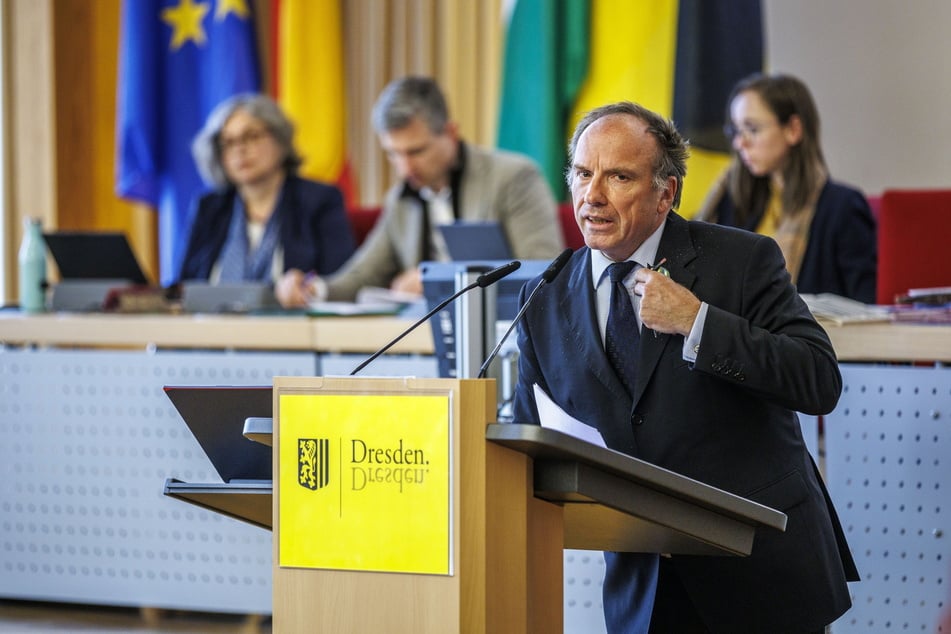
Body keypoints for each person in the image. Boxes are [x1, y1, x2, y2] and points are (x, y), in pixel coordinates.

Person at [512, 101, 858, 633]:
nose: (592, 196)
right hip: (642, 595)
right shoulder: (545, 297)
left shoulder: (741, 262)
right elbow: (527, 439)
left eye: (618, 176)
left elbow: (818, 380)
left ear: (665, 192)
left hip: (758, 578)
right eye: (583, 174)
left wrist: (699, 322)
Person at [314, 76, 563, 301]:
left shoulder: (514, 177)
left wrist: (437, 279)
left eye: (416, 151)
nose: (404, 168)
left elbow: (543, 269)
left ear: (451, 133)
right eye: (393, 154)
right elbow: (362, 275)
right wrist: (313, 290)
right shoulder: (400, 199)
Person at [695, 72, 877, 304]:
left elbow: (865, 307)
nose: (740, 143)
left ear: (793, 129)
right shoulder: (731, 200)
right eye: (736, 131)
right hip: (736, 337)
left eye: (752, 129)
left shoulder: (843, 207)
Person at [179, 93, 355, 307]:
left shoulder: (318, 201)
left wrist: (309, 288)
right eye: (228, 142)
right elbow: (185, 286)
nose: (239, 150)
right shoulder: (210, 207)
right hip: (210, 334)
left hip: (290, 333)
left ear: (280, 140)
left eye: (251, 136)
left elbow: (339, 281)